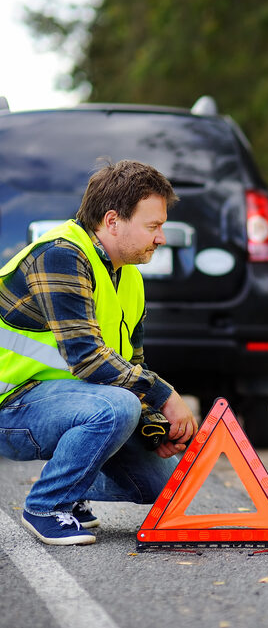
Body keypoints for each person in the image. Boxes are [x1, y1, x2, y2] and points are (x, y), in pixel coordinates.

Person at [0, 160, 198, 545]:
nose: (161, 238)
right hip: (10, 405)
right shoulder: (60, 254)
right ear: (112, 221)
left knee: (168, 484)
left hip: (64, 402)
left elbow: (130, 365)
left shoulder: (131, 279)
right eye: (153, 226)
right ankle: (46, 506)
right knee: (117, 407)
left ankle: (70, 490)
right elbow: (87, 357)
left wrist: (154, 425)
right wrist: (166, 396)